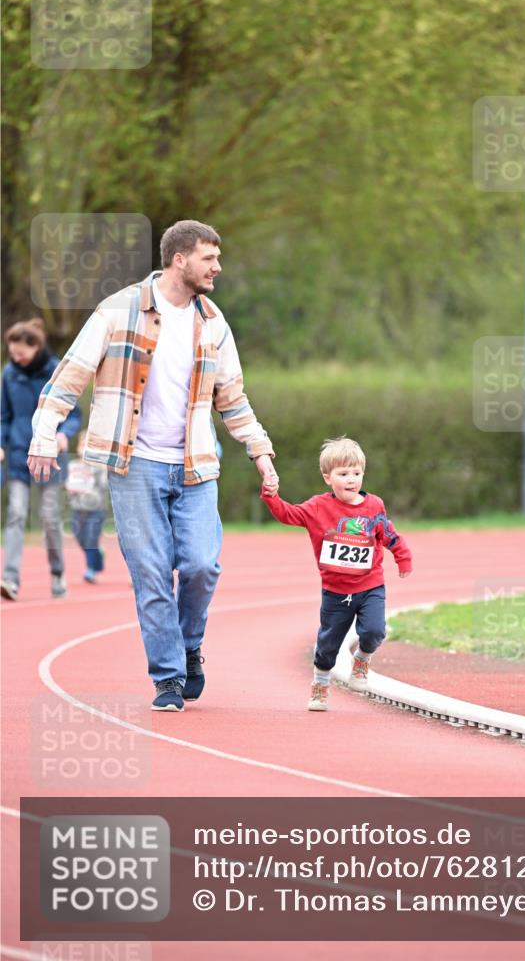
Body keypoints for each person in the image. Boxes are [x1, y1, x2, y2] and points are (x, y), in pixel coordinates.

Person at [28, 220, 278, 711]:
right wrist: (43, 435)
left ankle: (188, 646)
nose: (218, 267)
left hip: (195, 466)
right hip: (134, 464)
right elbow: (70, 376)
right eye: (210, 258)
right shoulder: (118, 310)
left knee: (203, 565)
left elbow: (232, 398)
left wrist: (261, 452)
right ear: (180, 259)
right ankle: (167, 677)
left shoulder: (213, 322)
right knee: (151, 573)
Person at [261, 436, 412, 711]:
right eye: (344, 474)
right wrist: (271, 496)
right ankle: (320, 683)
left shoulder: (374, 505)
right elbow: (288, 514)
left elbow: (388, 534)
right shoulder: (318, 507)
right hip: (335, 590)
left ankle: (362, 660)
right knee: (328, 643)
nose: (351, 479)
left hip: (370, 585)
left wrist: (403, 557)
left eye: (357, 473)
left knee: (375, 631)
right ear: (328, 478)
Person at [1, 318, 81, 600]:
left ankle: (58, 574)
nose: (16, 358)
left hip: (50, 455)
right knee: (16, 513)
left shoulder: (56, 371)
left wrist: (64, 435)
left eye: (21, 353)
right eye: (12, 354)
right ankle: (9, 579)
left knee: (49, 517)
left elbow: (74, 414)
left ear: (35, 347)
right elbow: (4, 416)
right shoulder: (9, 374)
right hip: (19, 456)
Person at [65, 429, 108, 584]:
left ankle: (90, 569)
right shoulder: (73, 465)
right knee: (80, 539)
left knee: (91, 539)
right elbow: (69, 485)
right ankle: (98, 554)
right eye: (81, 444)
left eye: (87, 444)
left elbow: (104, 486)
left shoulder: (98, 466)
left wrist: (100, 472)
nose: (83, 448)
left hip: (96, 509)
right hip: (77, 509)